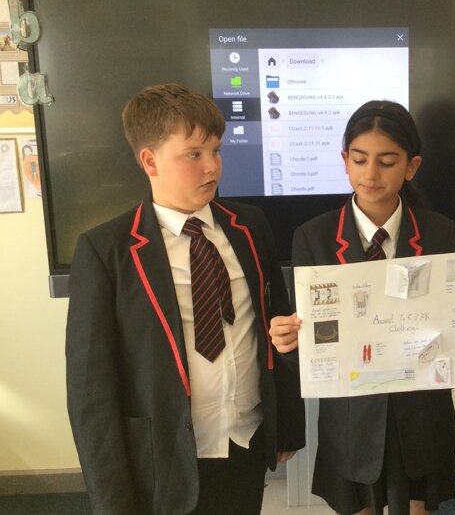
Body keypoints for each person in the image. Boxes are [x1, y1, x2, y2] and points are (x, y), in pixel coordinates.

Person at [271, 100, 455, 515]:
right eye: (360, 160)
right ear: (345, 160)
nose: (371, 174)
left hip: (422, 417)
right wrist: (288, 341)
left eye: (387, 162)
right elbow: (315, 339)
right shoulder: (313, 236)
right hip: (352, 422)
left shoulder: (440, 231)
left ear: (411, 167)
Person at [65, 83, 305, 515]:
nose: (212, 167)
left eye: (216, 151)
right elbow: (90, 393)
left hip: (244, 442)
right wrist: (111, 501)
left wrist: (287, 425)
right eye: (193, 154)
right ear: (150, 160)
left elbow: (277, 325)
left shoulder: (250, 226)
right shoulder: (106, 251)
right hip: (162, 461)